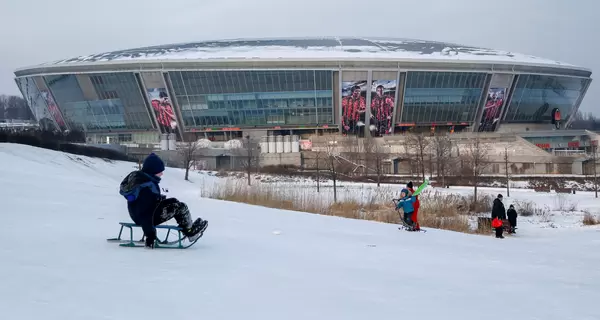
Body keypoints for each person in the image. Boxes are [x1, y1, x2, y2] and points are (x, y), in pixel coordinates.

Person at [119, 153, 208, 248]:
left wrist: (158, 199)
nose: (161, 174)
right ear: (152, 170)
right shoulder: (147, 186)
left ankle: (188, 228)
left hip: (137, 215)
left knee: (174, 201)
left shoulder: (140, 180)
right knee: (180, 207)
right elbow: (145, 212)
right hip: (145, 219)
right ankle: (190, 232)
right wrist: (150, 236)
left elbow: (144, 204)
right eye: (159, 171)